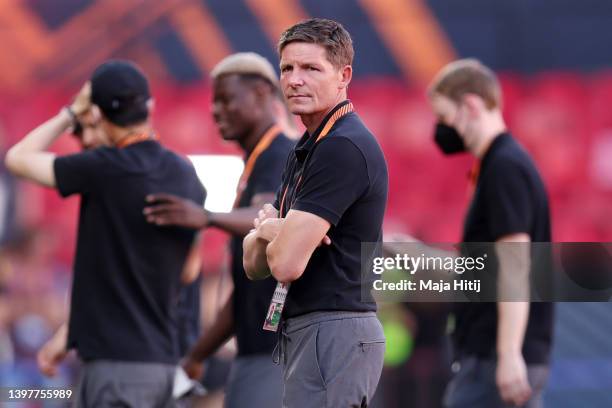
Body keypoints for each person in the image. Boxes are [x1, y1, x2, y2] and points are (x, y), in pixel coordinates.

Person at [5, 60, 205, 407]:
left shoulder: (103, 168)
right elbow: (189, 270)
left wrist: (70, 113)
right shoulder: (186, 174)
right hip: (165, 365)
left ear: (96, 115)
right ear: (150, 107)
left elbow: (19, 158)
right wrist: (70, 334)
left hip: (114, 368)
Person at [242, 18, 388, 408]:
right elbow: (254, 265)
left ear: (344, 76)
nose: (294, 80)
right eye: (287, 68)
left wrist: (271, 230)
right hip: (316, 329)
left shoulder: (341, 147)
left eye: (310, 68)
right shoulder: (308, 146)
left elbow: (286, 264)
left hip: (334, 329)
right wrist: (278, 231)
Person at [143, 52, 295, 408]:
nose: (215, 110)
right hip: (255, 351)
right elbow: (245, 295)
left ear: (261, 95)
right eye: (214, 102)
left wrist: (206, 217)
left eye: (226, 99)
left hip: (277, 353)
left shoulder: (281, 154)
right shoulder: (253, 164)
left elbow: (265, 218)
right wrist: (198, 354)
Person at [35, 108, 204, 382]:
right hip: (148, 357)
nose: (87, 139)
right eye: (81, 131)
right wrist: (68, 333)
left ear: (111, 124)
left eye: (93, 126)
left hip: (143, 359)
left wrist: (67, 114)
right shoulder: (169, 172)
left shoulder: (153, 177)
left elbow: (185, 271)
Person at [427, 59, 553, 407]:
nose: (440, 128)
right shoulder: (496, 166)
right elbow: (486, 270)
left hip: (494, 356)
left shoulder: (504, 168)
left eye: (443, 116)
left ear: (470, 105)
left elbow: (515, 266)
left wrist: (509, 354)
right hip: (491, 354)